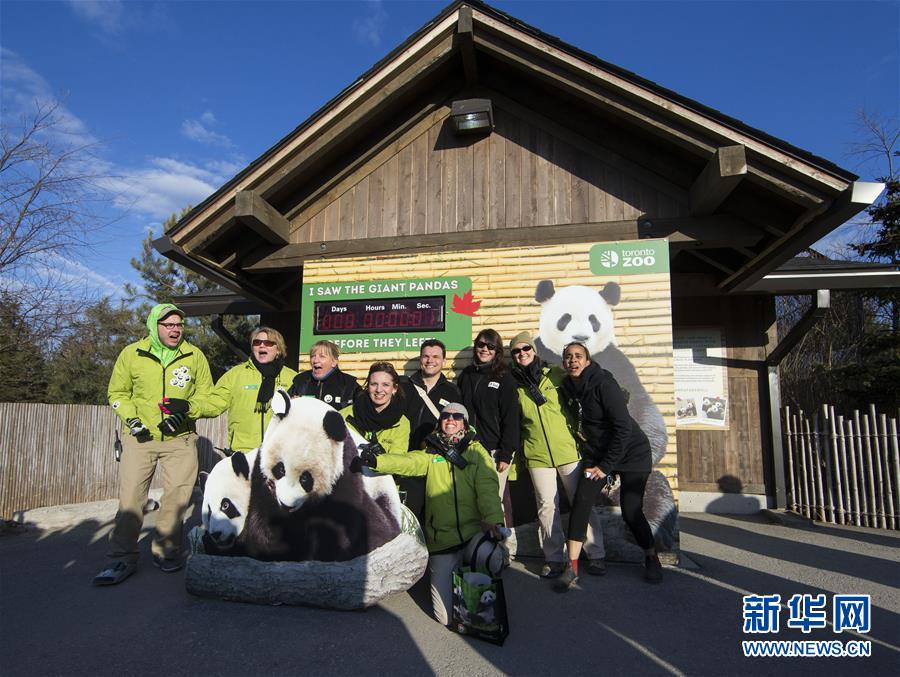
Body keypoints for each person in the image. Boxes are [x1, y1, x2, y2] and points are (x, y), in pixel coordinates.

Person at [94, 303, 213, 585]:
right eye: (168, 324)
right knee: (132, 500)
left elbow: (209, 398)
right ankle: (121, 558)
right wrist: (132, 420)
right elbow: (117, 392)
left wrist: (186, 411)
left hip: (180, 439)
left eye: (178, 325)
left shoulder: (194, 356)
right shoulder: (132, 354)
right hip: (140, 438)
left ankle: (166, 552)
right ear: (154, 326)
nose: (175, 330)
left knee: (178, 498)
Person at [358, 402, 504, 626]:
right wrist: (378, 460)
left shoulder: (476, 452)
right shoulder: (431, 452)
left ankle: (475, 576)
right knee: (444, 617)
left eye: (457, 416)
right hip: (442, 539)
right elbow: (409, 462)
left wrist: (494, 520)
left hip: (470, 534)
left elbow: (487, 488)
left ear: (464, 423)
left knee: (491, 553)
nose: (451, 419)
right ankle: (457, 577)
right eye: (446, 416)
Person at [556, 341, 662, 590]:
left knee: (631, 510)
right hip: (598, 453)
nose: (573, 360)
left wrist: (605, 467)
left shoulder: (603, 383)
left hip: (632, 452)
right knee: (581, 500)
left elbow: (623, 429)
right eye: (568, 357)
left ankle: (651, 556)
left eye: (578, 356)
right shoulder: (569, 387)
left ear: (587, 360)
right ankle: (571, 568)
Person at [509, 331, 606, 579]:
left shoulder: (555, 374)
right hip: (537, 453)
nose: (522, 354)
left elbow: (585, 388)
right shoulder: (513, 384)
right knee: (546, 506)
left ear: (534, 351)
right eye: (517, 351)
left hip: (567, 451)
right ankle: (554, 558)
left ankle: (595, 554)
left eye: (526, 349)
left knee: (582, 502)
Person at [189, 327, 297, 454]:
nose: (262, 345)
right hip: (243, 452)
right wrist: (188, 407)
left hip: (279, 453)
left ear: (278, 349)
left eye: (268, 343)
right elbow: (214, 403)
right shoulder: (235, 375)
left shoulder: (293, 378)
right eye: (257, 342)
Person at [456, 328, 520, 497]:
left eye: (491, 346)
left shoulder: (504, 378)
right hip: (468, 449)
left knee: (491, 502)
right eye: (481, 344)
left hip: (494, 451)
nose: (485, 349)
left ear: (497, 351)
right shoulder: (466, 375)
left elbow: (511, 418)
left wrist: (506, 454)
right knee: (470, 500)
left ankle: (497, 526)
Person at [401, 339, 463, 450]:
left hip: (433, 456)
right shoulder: (404, 386)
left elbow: (458, 427)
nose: (430, 360)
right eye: (426, 356)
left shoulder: (453, 392)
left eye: (435, 357)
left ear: (444, 361)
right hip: (403, 453)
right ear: (420, 359)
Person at [341, 362, 410, 456]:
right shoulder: (344, 416)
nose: (379, 390)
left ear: (394, 388)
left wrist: (382, 457)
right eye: (374, 384)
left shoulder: (402, 423)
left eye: (385, 385)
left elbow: (398, 460)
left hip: (382, 471)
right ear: (368, 387)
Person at [288, 339, 360, 409]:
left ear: (334, 362)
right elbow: (284, 407)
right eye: (313, 356)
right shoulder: (300, 381)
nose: (315, 360)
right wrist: (292, 404)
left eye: (322, 356)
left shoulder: (349, 384)